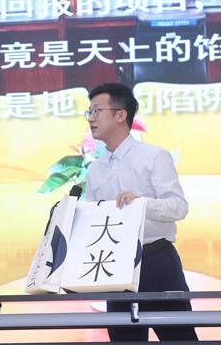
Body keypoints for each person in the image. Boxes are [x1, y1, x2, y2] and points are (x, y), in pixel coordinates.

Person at [84, 82, 198, 342]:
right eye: (89, 112)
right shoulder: (95, 169)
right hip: (116, 267)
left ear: (120, 115)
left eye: (97, 111)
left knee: (179, 337)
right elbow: (93, 219)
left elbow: (179, 207)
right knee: (125, 339)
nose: (90, 118)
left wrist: (142, 203)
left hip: (156, 261)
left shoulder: (154, 156)